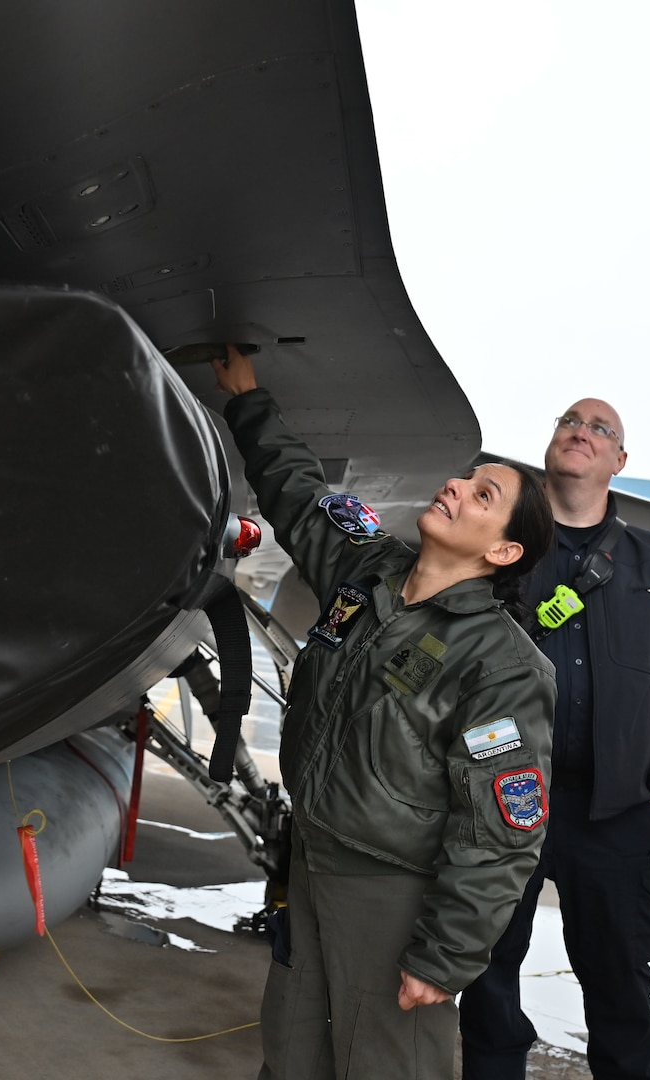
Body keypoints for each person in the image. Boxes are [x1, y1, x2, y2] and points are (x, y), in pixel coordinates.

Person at [210, 346, 557, 1080]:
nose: (458, 488)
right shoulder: (365, 571)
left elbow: (501, 830)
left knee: (387, 1067)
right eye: (467, 478)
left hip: (392, 895)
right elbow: (299, 496)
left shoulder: (502, 665)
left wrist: (446, 955)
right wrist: (247, 398)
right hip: (311, 868)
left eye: (484, 495)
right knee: (292, 1056)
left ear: (504, 549)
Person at [459, 399, 650, 1080]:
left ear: (619, 462)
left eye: (602, 429)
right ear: (550, 446)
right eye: (570, 420)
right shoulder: (503, 547)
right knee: (486, 974)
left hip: (616, 812)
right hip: (507, 802)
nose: (582, 431)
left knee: (620, 984)